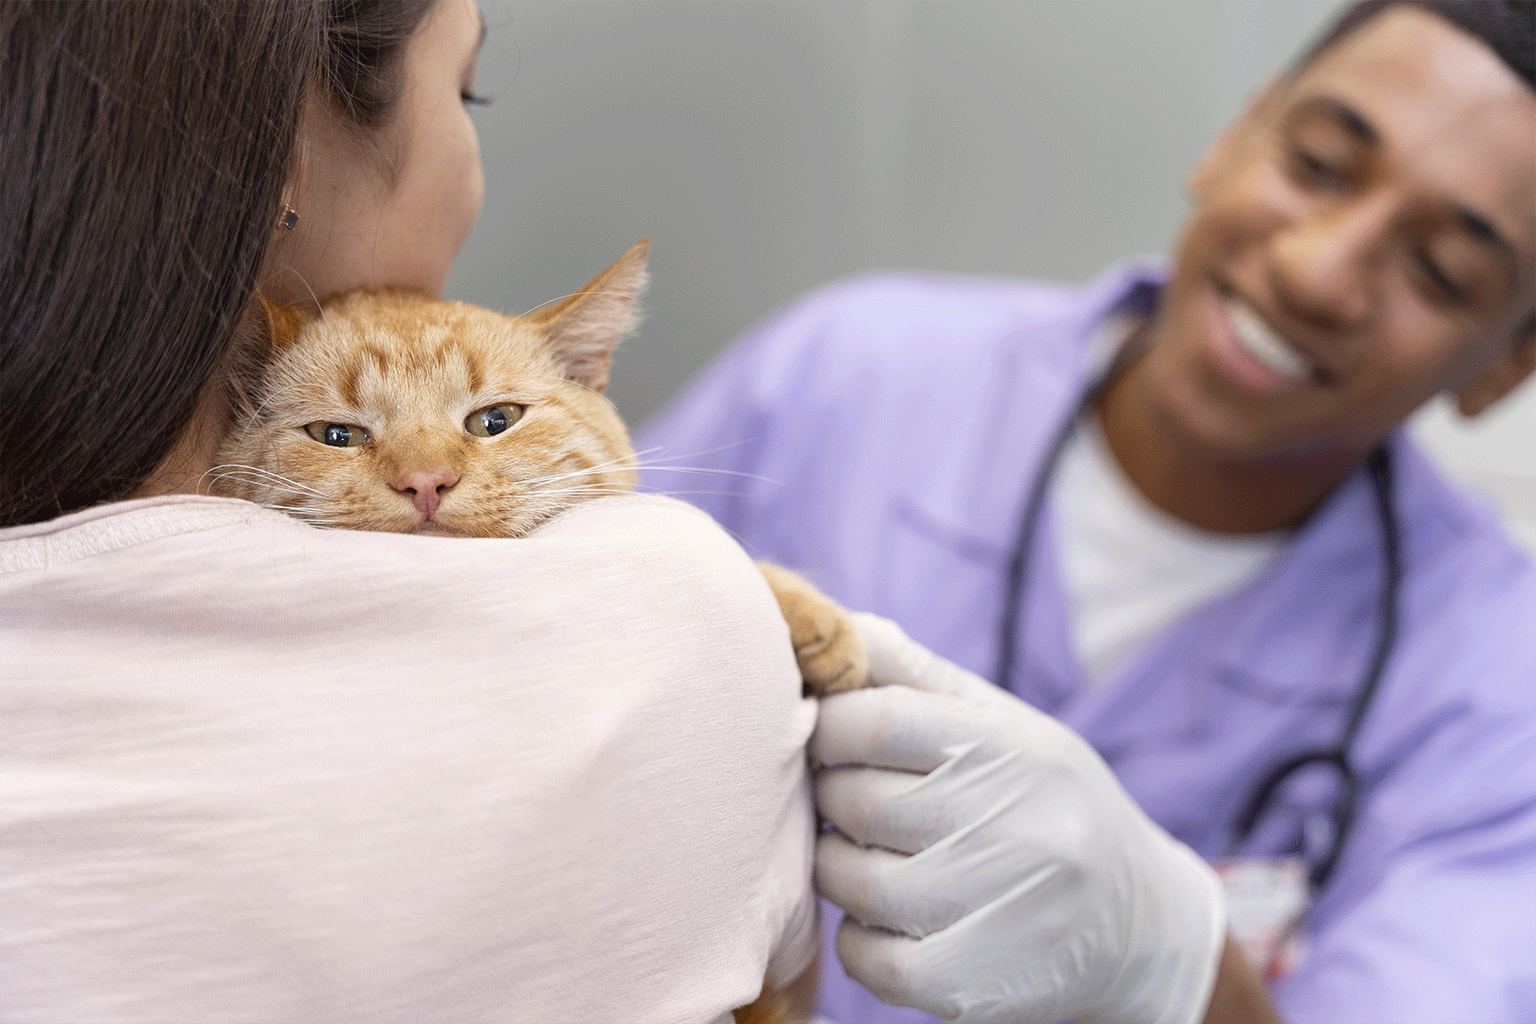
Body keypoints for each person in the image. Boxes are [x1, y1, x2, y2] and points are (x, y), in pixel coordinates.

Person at [640, 2, 1536, 1022]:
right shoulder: (844, 379)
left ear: (1508, 367)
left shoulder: (1499, 685)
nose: (1316, 272)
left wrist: (1179, 966)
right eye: (1320, 164)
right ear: (1235, 136)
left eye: (1440, 271)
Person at [0, 3, 815, 1020]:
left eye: (489, 422)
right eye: (466, 90)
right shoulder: (670, 605)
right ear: (285, 153)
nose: (426, 477)